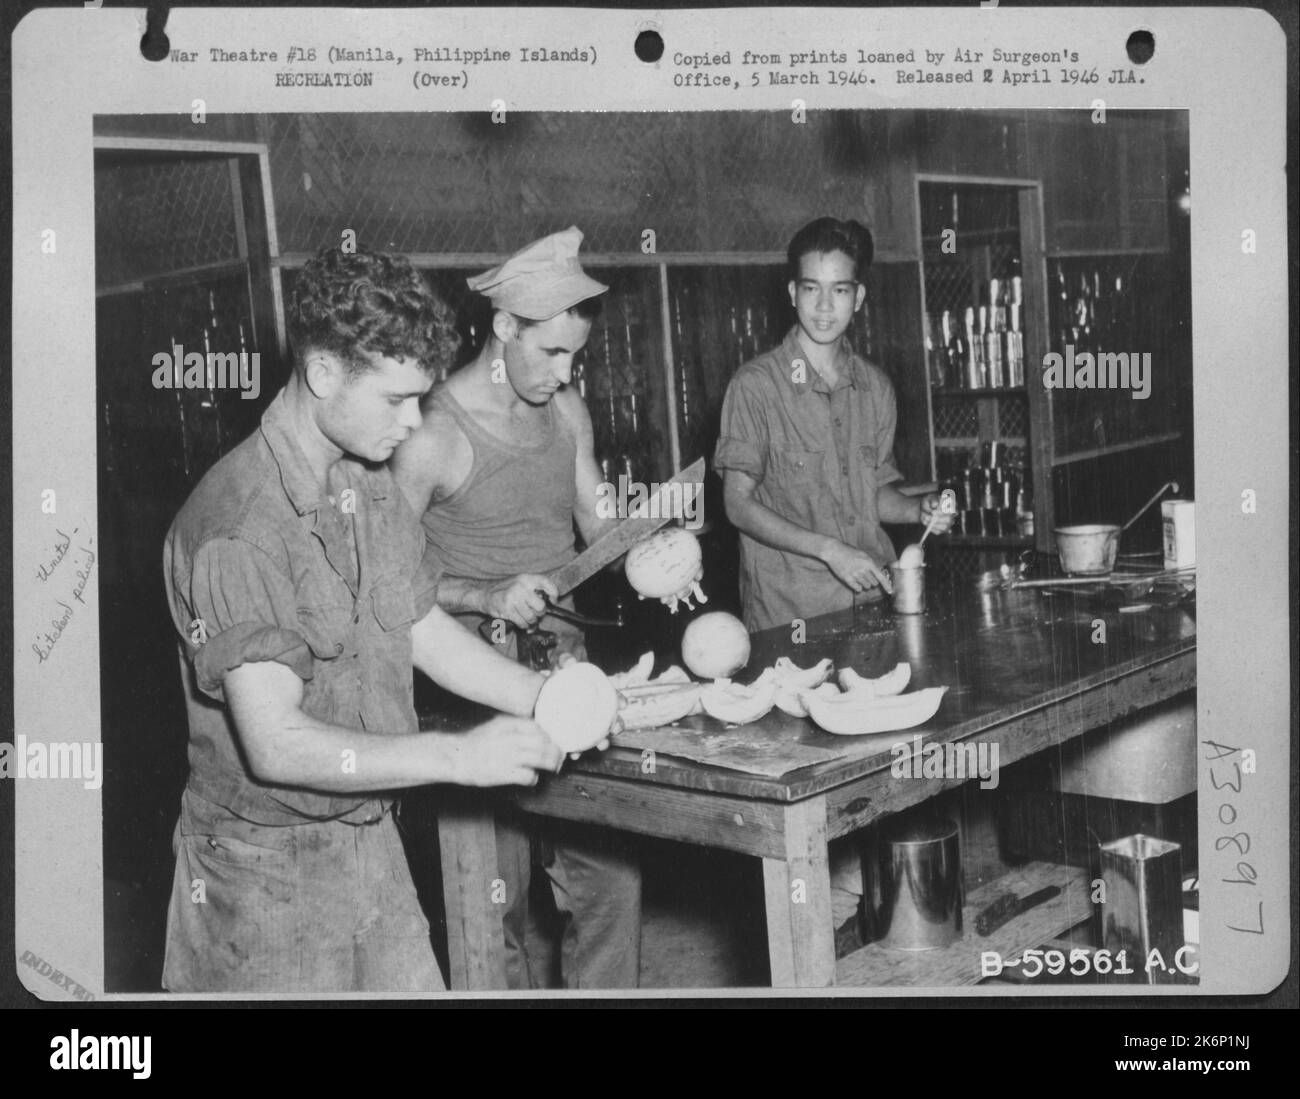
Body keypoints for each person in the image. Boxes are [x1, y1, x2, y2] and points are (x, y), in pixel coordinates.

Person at [162, 245, 573, 994]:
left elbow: (418, 626)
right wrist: (454, 758)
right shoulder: (238, 525)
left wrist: (551, 698)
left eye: (422, 397)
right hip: (261, 877)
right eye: (395, 399)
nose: (415, 422)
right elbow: (278, 744)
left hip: (370, 844)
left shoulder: (366, 483)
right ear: (323, 374)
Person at [392, 227, 647, 989]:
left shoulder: (566, 414)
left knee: (611, 884)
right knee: (488, 906)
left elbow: (600, 525)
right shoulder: (429, 433)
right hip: (466, 690)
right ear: (504, 328)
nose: (565, 373)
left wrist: (655, 546)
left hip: (567, 676)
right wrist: (483, 593)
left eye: (576, 355)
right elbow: (382, 586)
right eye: (551, 354)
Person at [714, 216, 955, 949]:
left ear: (859, 298)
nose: (825, 306)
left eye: (840, 290)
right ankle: (803, 952)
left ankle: (862, 928)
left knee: (869, 782)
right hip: (790, 616)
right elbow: (736, 502)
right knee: (801, 792)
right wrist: (826, 549)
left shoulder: (873, 387)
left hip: (868, 611)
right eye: (811, 289)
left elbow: (876, 492)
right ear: (792, 293)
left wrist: (920, 508)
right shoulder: (755, 386)